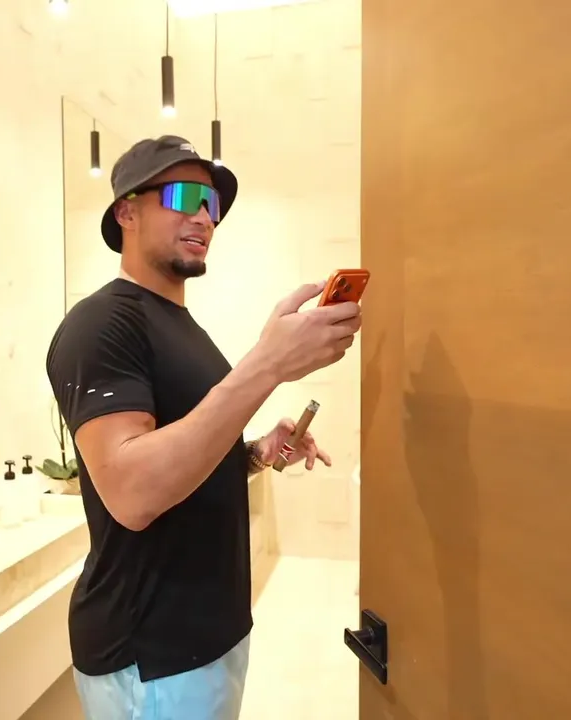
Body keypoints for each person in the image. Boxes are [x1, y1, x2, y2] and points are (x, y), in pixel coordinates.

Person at [45, 135, 362, 720]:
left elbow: (189, 456)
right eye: (184, 197)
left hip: (210, 634)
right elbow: (133, 493)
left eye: (212, 205)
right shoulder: (100, 325)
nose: (204, 217)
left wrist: (257, 452)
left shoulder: (183, 326)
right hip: (151, 653)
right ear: (127, 212)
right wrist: (267, 364)